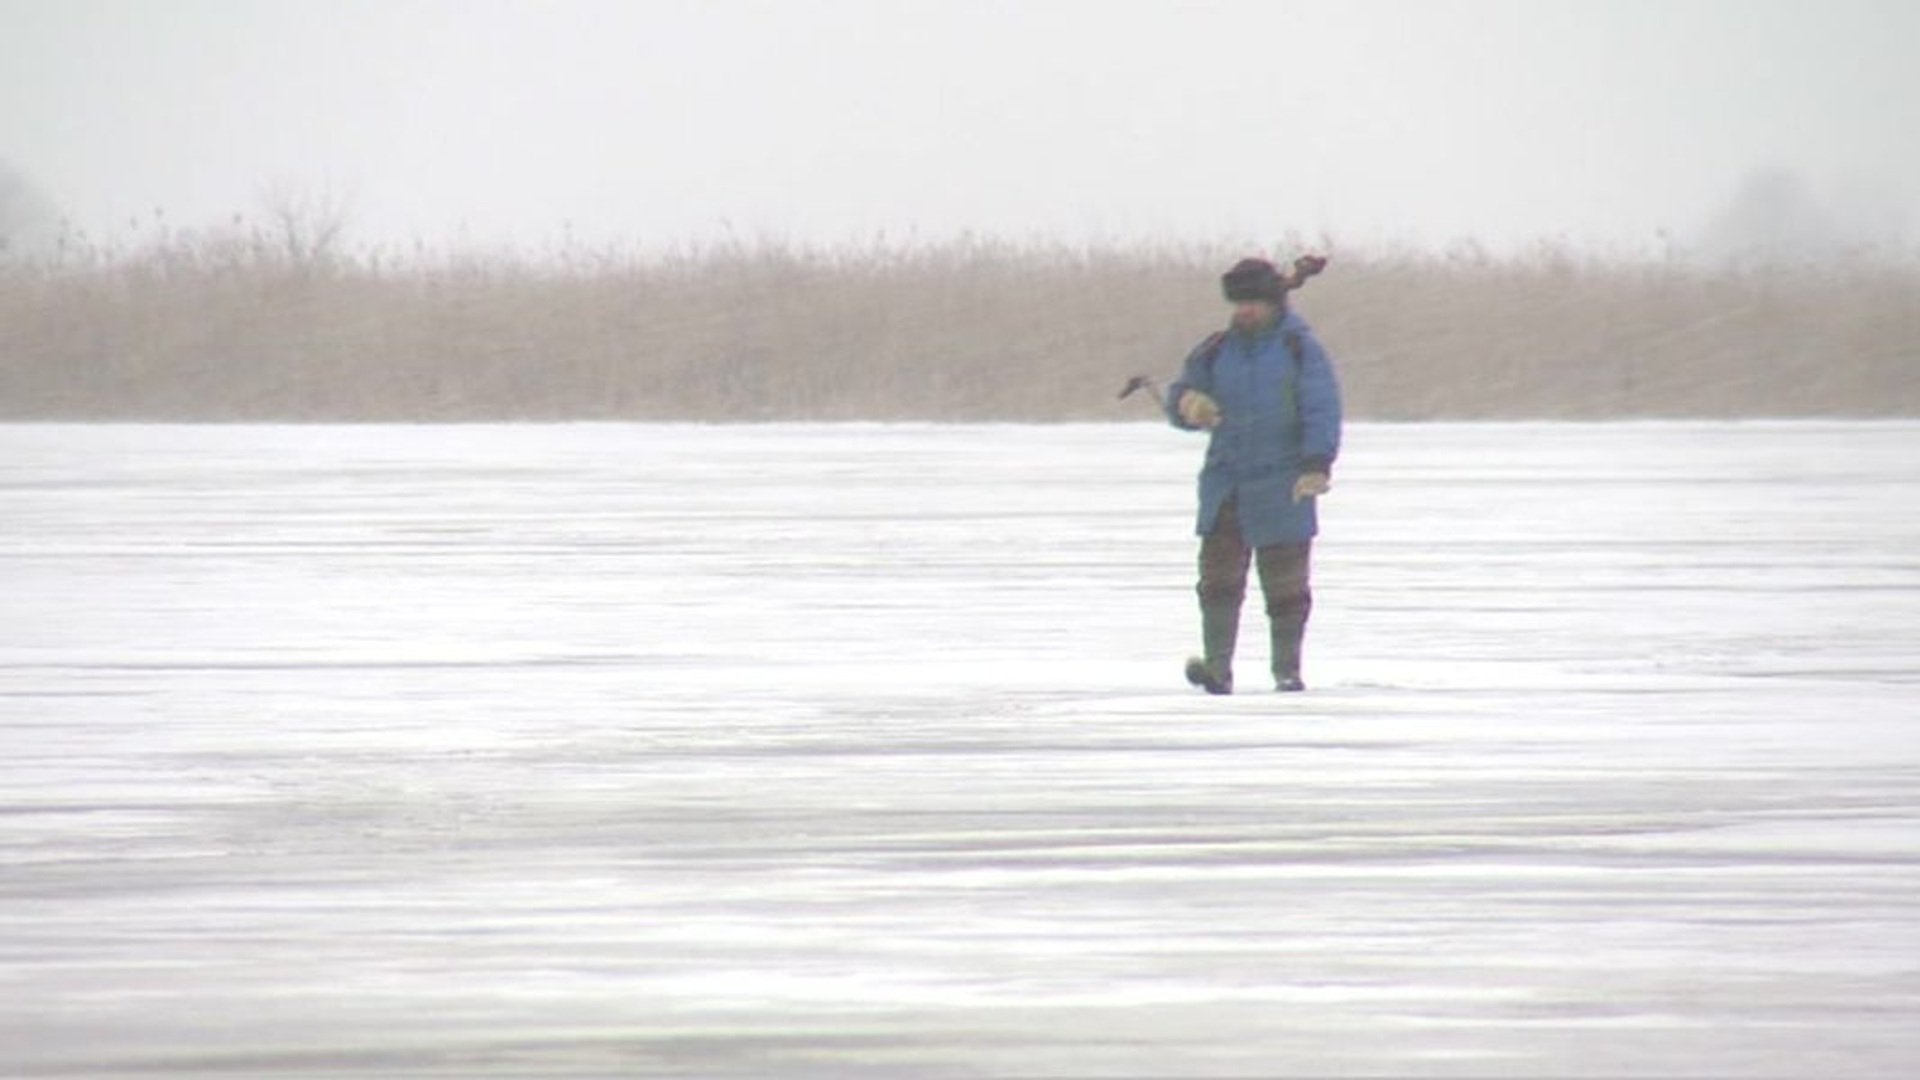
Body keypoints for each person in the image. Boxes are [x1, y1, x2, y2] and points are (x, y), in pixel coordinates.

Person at [1165, 257, 1343, 694]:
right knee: (1217, 581)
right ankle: (1217, 670)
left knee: (1286, 586)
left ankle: (1287, 671)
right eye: (1240, 302)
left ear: (1274, 303)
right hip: (1227, 483)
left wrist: (1317, 465)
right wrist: (1189, 405)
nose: (1245, 310)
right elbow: (1180, 395)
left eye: (1254, 302)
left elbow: (1322, 408)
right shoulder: (1215, 349)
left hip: (1284, 483)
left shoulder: (1300, 350)